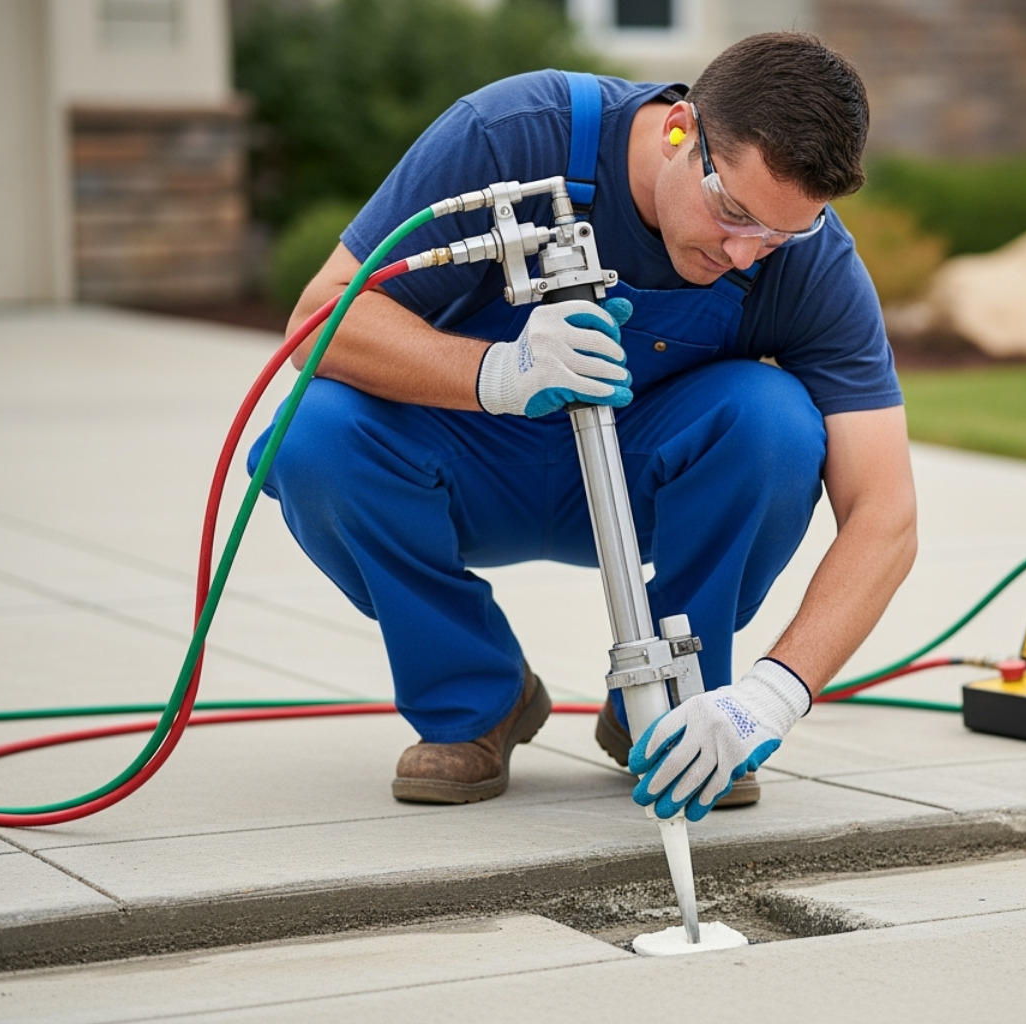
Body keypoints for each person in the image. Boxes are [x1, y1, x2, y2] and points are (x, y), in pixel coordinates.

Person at [250, 32, 917, 821]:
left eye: (778, 233)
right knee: (313, 432)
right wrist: (497, 373)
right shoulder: (514, 133)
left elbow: (887, 516)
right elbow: (320, 316)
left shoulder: (807, 260)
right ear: (681, 130)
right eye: (732, 212)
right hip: (471, 462)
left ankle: (669, 704)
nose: (746, 254)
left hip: (642, 482)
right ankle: (480, 701)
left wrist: (773, 697)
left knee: (773, 423)